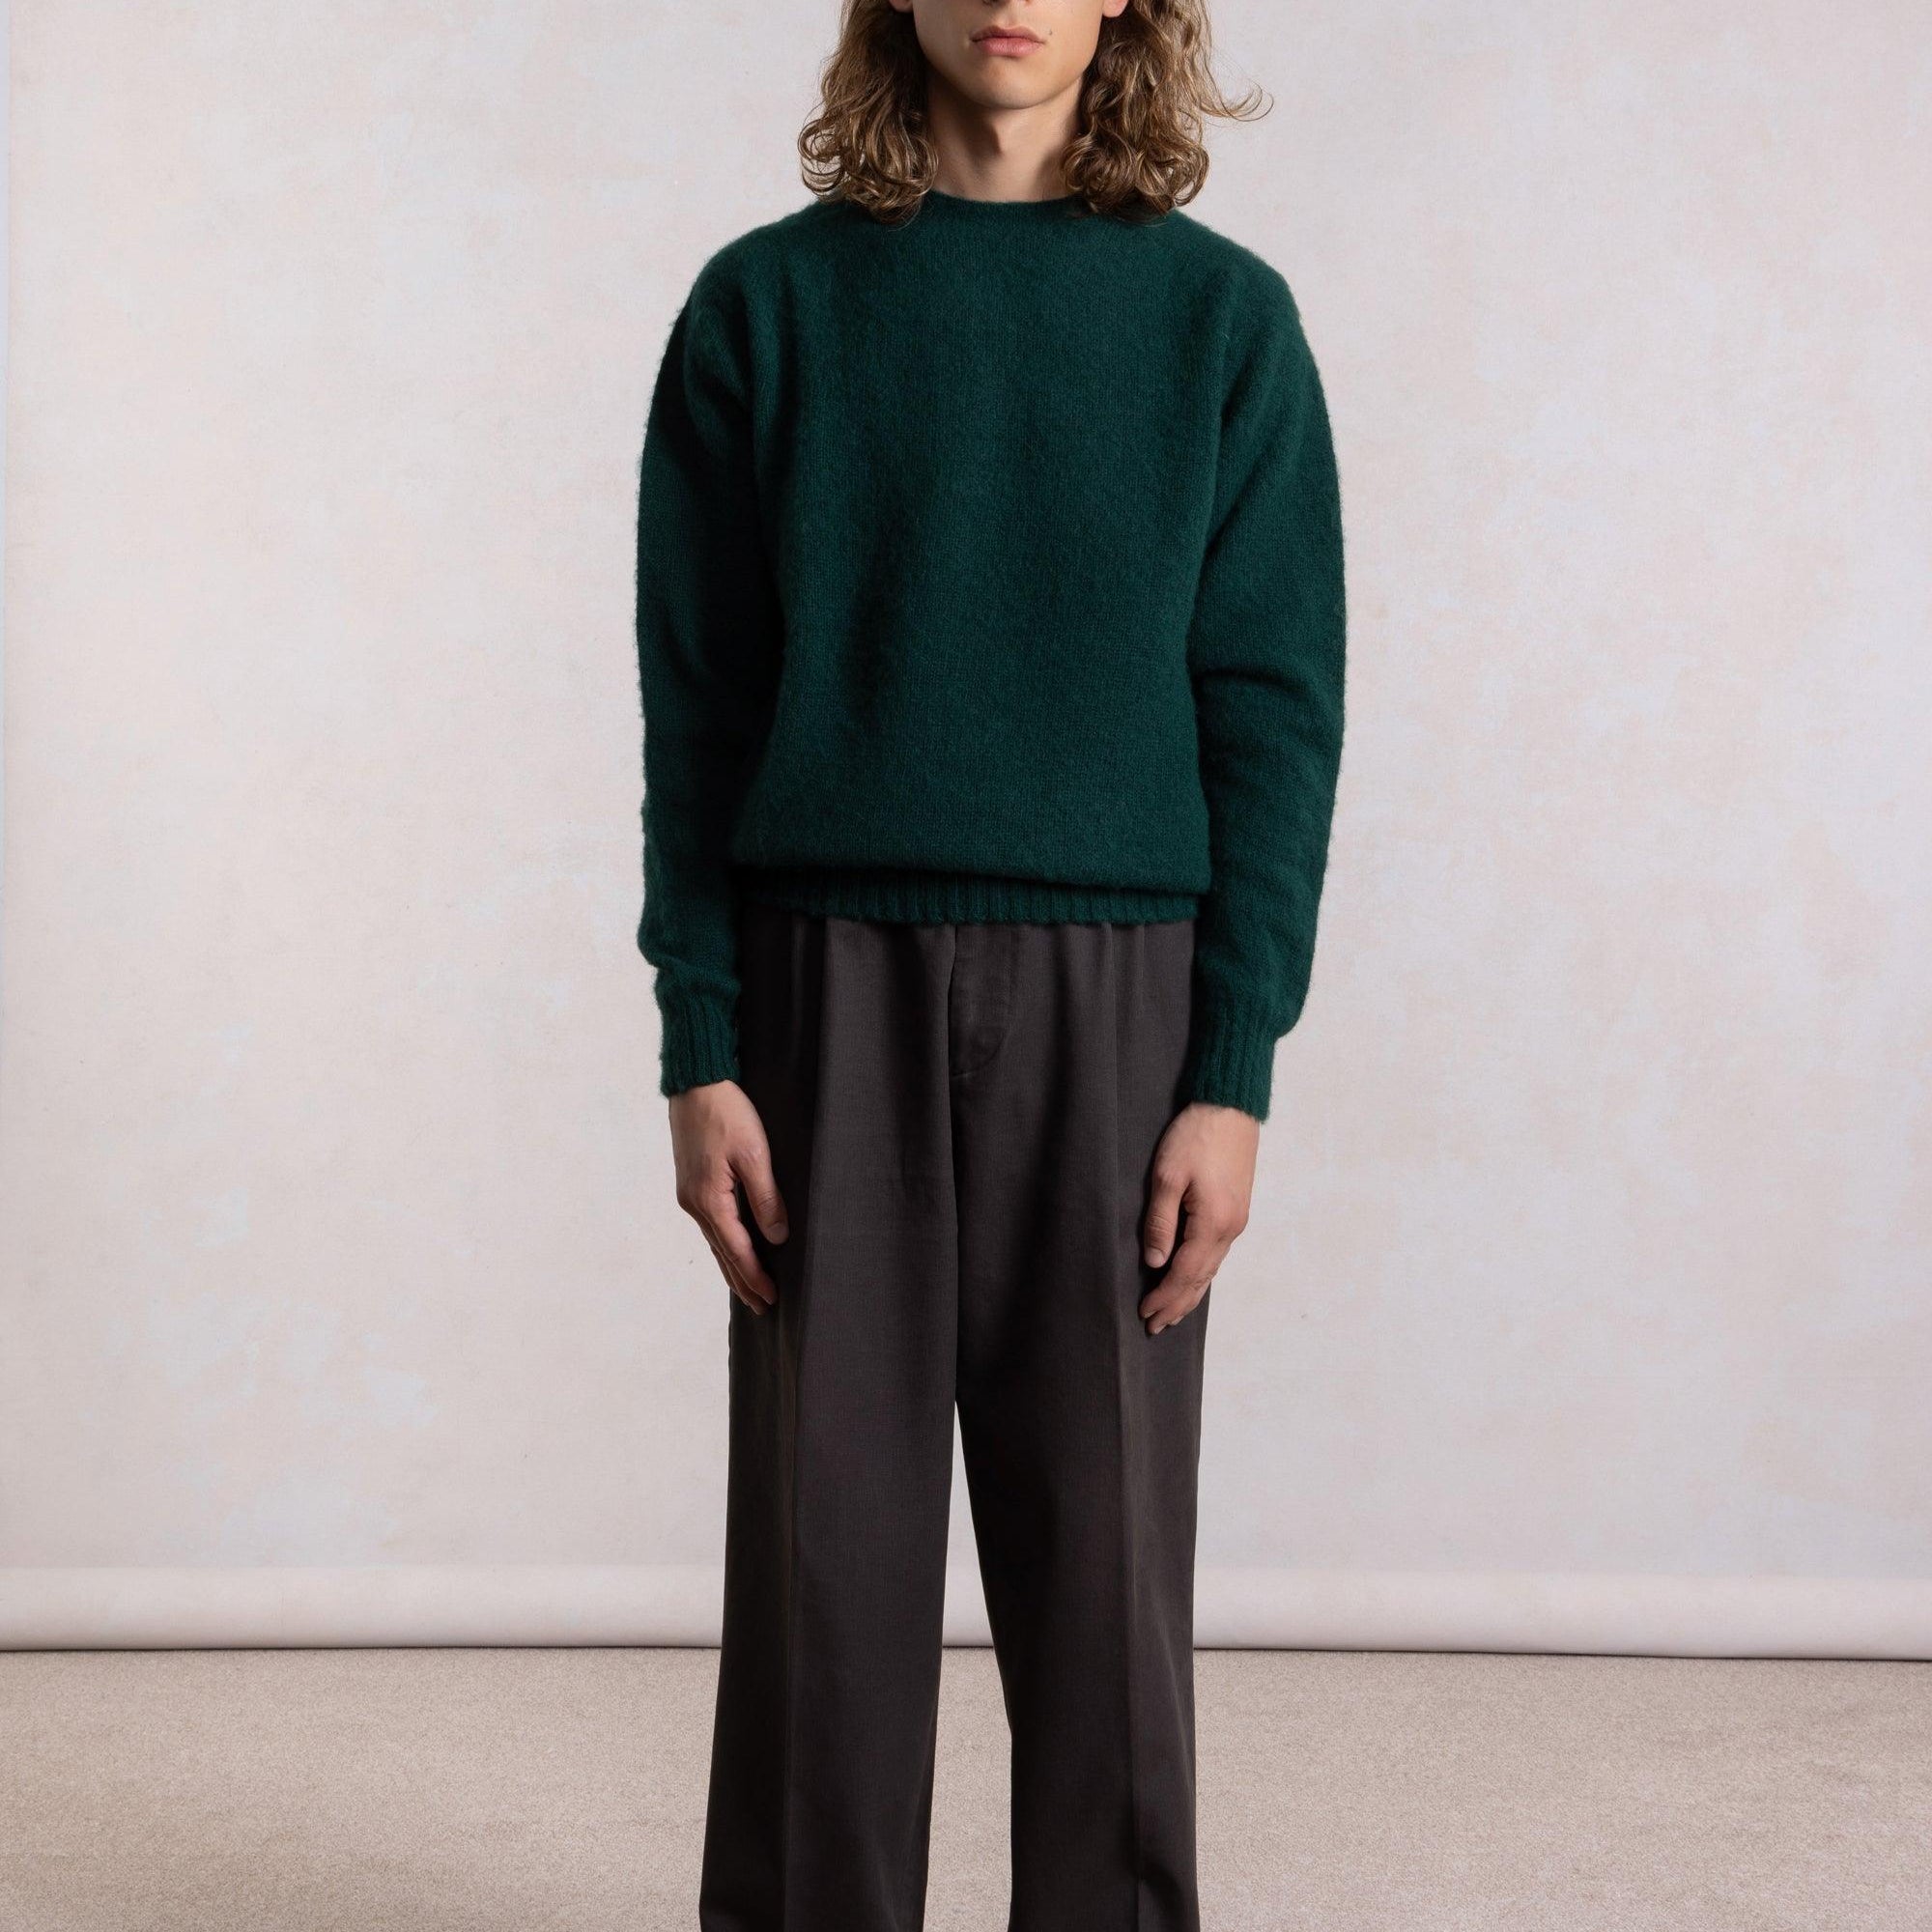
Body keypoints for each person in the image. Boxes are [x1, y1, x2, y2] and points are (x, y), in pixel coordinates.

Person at [633, 2, 1346, 1925]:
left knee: (1105, 1588)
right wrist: (701, 1036)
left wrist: (1232, 1070)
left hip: (1120, 1005)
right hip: (821, 993)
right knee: (827, 1581)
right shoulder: (764, 309)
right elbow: (698, 707)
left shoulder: (1223, 322)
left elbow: (1272, 718)